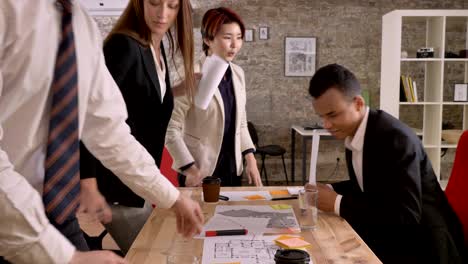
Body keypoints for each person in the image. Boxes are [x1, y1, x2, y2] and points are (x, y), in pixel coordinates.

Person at [0, 0, 203, 263]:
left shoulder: (80, 26)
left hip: (55, 215)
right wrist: (68, 257)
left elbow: (108, 131)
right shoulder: (9, 11)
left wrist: (173, 199)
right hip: (10, 219)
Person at [307, 63, 465, 263]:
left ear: (358, 103)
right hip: (391, 237)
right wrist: (328, 188)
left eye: (332, 115)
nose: (326, 125)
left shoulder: (395, 140)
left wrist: (338, 203)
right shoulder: (353, 132)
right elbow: (370, 186)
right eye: (322, 117)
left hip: (425, 246)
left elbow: (405, 217)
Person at [79, 0, 196, 254]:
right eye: (154, 3)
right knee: (156, 255)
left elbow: (140, 96)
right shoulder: (123, 46)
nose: (162, 14)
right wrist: (87, 183)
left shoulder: (157, 46)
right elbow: (90, 116)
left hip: (137, 182)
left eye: (172, 6)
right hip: (116, 185)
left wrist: (177, 91)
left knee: (161, 250)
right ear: (139, 4)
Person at [165, 7, 262, 187]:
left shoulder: (238, 73)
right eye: (227, 38)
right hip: (200, 170)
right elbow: (170, 128)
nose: (235, 44)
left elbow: (240, 122)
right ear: (207, 39)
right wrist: (190, 168)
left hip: (232, 168)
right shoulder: (189, 74)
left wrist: (250, 159)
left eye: (239, 37)